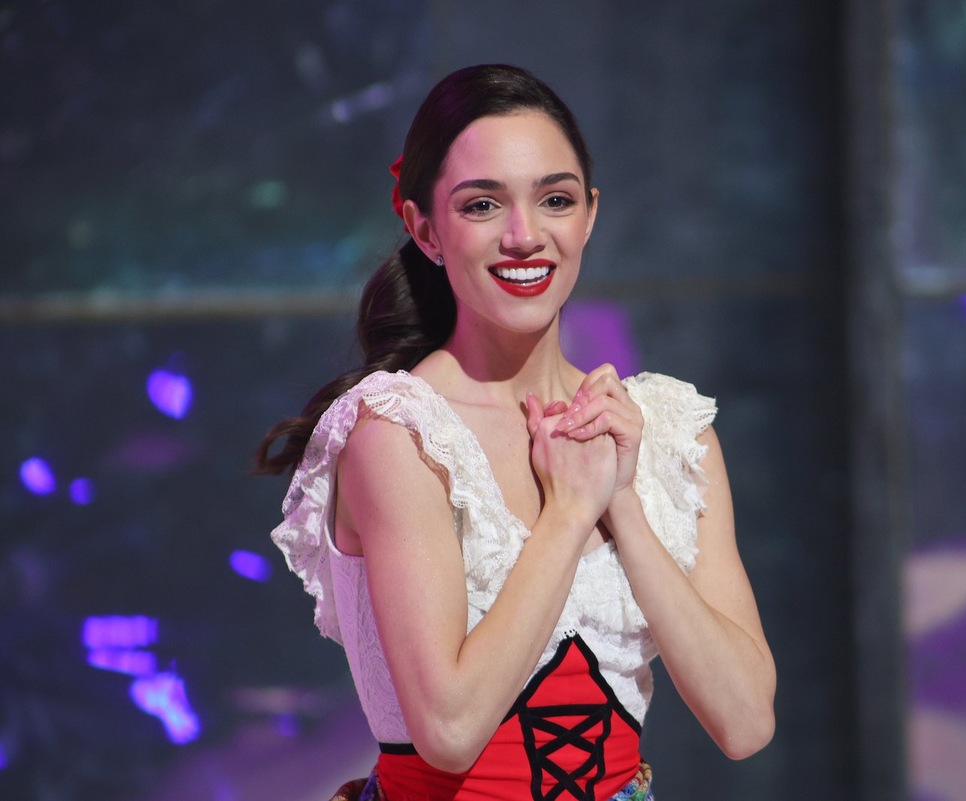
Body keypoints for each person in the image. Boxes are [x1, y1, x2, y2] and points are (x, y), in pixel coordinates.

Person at [257, 63, 775, 801]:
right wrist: (568, 515)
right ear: (425, 228)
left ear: (589, 216)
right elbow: (450, 727)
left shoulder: (665, 431)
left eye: (555, 199)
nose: (525, 236)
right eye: (482, 205)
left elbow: (746, 720)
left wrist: (622, 504)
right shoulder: (401, 435)